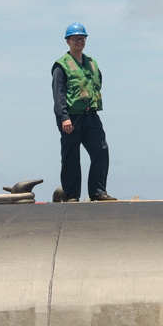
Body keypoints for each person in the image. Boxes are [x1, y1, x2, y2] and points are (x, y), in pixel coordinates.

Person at [51, 23, 116, 203]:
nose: (79, 41)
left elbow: (97, 83)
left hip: (91, 115)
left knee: (101, 150)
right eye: (75, 38)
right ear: (68, 41)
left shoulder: (92, 63)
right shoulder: (61, 66)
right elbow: (59, 95)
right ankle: (72, 195)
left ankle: (98, 192)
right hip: (71, 117)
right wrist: (63, 117)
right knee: (71, 156)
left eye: (82, 38)